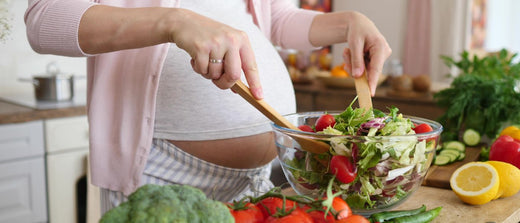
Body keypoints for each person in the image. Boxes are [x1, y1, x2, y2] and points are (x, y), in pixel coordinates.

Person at [25, 0, 391, 213]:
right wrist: (174, 21)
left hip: (260, 178)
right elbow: (45, 18)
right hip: (161, 173)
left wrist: (349, 22)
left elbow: (275, 19)